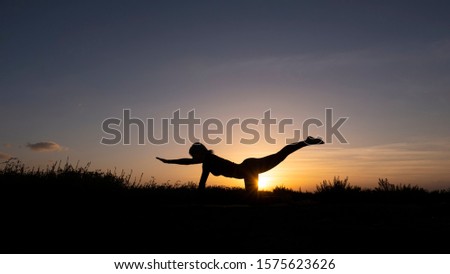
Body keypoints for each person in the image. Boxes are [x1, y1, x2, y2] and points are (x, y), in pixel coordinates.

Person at [156, 136, 324, 194]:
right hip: (247, 169)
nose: (194, 158)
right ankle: (306, 142)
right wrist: (168, 161)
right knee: (280, 155)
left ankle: (306, 142)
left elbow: (200, 182)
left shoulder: (208, 162)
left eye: (195, 155)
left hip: (248, 169)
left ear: (199, 154)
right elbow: (189, 163)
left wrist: (197, 200)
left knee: (280, 155)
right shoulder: (207, 161)